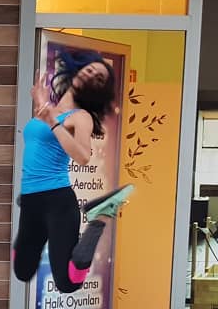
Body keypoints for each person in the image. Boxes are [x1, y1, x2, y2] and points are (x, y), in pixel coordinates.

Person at [12, 49, 134, 295]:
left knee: (69, 282)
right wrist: (42, 104)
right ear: (77, 70)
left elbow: (83, 156)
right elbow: (39, 145)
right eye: (90, 68)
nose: (91, 73)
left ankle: (99, 218)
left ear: (97, 89)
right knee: (22, 271)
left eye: (98, 77)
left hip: (57, 200)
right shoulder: (49, 110)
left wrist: (53, 123)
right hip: (32, 198)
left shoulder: (81, 117)